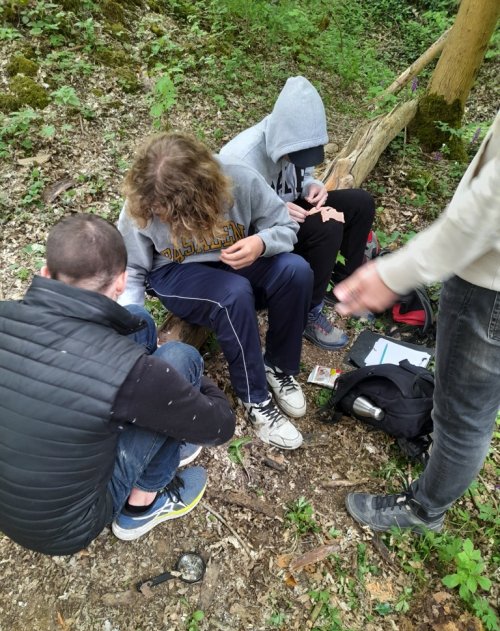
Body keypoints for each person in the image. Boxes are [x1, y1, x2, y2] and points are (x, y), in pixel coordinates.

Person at [0, 214, 236, 556]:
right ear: (121, 282)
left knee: (138, 322)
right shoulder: (131, 373)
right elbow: (220, 427)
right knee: (180, 358)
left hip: (13, 505)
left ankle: (158, 425)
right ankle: (140, 508)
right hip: (68, 525)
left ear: (45, 273)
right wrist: (187, 383)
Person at [333, 110, 500, 533]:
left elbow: (489, 205)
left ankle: (423, 510)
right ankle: (441, 472)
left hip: (490, 286)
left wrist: (394, 273)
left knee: (462, 416)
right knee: (472, 411)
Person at [117, 132, 314, 450]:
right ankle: (255, 398)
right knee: (232, 294)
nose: (163, 219)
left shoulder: (239, 178)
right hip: (175, 272)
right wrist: (134, 326)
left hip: (235, 256)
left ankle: (278, 365)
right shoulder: (142, 201)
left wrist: (260, 242)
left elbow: (286, 227)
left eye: (174, 215)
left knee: (295, 271)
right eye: (160, 214)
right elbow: (132, 269)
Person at [221, 75, 376, 350]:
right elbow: (233, 226)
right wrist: (275, 211)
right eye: (298, 152)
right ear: (283, 138)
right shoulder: (240, 159)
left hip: (292, 215)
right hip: (262, 233)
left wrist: (312, 186)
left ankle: (347, 285)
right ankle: (308, 312)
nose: (300, 157)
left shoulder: (297, 142)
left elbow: (303, 173)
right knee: (329, 227)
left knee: (360, 203)